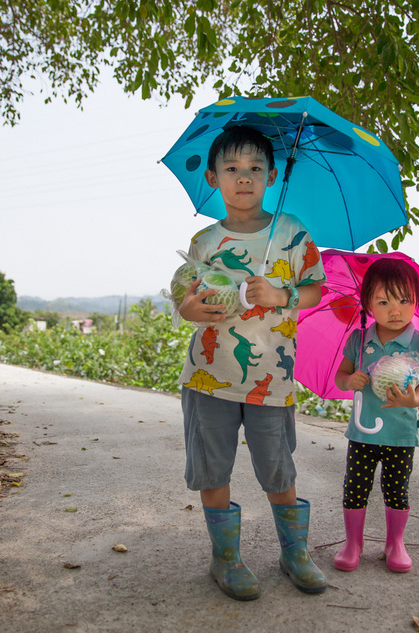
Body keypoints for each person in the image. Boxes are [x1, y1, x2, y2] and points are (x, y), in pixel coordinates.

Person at [176, 125, 327, 600]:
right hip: (209, 379)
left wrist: (283, 294)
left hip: (272, 381)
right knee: (212, 469)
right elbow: (184, 299)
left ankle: (295, 553)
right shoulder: (203, 241)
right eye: (232, 169)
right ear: (215, 179)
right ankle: (226, 559)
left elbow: (317, 289)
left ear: (272, 176)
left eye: (255, 169)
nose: (244, 178)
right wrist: (190, 309)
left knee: (278, 469)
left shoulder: (293, 233)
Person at [332, 257, 419, 573]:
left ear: (415, 301)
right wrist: (349, 381)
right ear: (367, 304)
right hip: (363, 432)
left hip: (400, 434)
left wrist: (414, 398)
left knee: (396, 490)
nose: (396, 310)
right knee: (355, 488)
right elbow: (341, 375)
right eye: (383, 301)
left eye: (404, 300)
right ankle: (354, 543)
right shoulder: (359, 340)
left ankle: (396, 543)